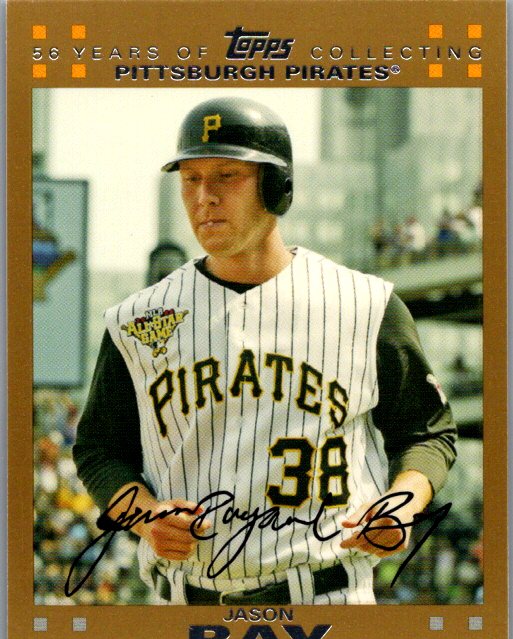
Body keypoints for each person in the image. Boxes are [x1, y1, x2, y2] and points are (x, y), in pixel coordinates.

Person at [73, 97, 457, 605]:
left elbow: (427, 432)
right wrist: (145, 517)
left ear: (277, 186)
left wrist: (401, 505)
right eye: (191, 179)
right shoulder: (137, 320)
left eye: (226, 176)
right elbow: (99, 451)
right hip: (183, 603)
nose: (204, 197)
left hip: (326, 597)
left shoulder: (366, 304)